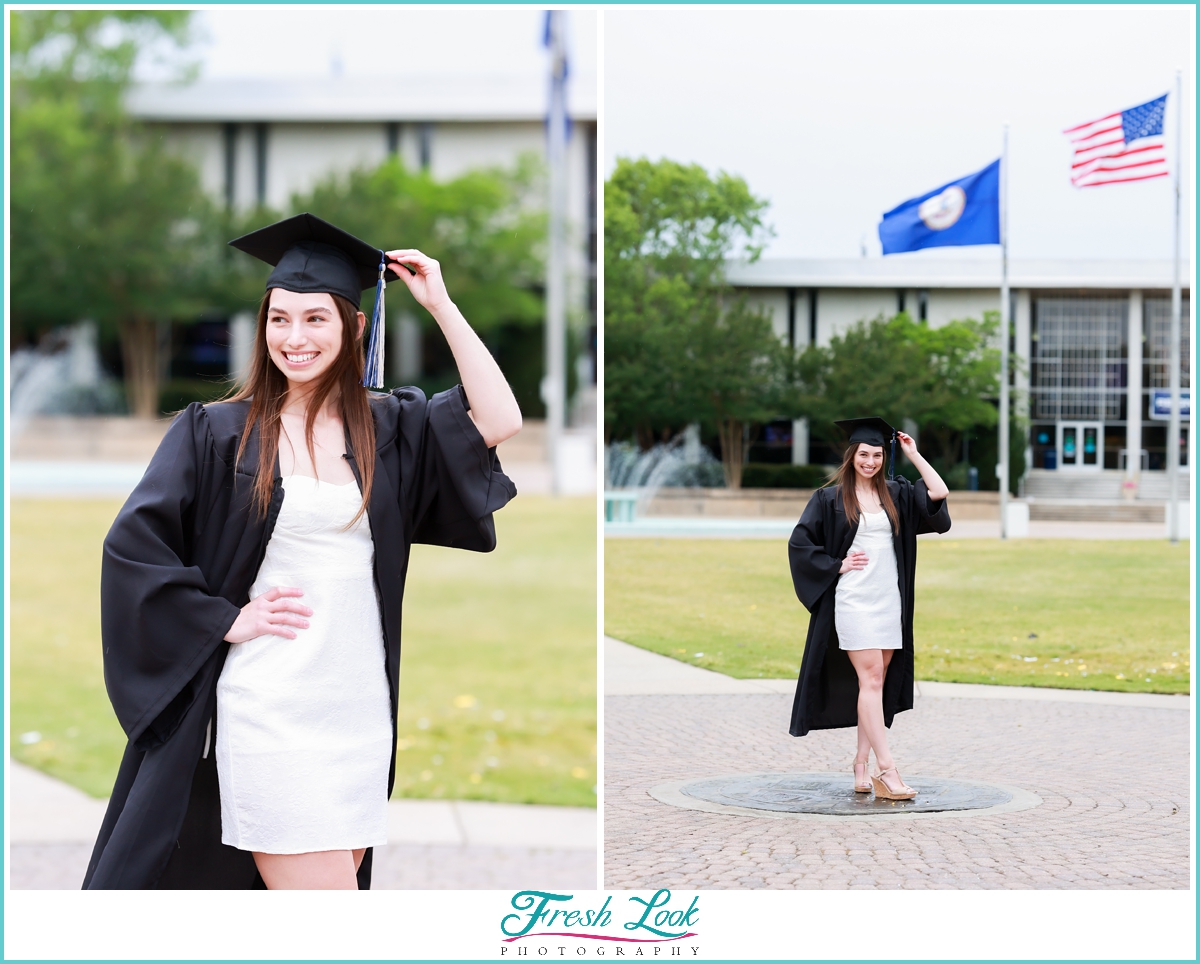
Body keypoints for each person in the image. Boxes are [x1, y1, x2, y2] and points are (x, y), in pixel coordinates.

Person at [84, 213, 521, 889]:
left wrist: (441, 303)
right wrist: (222, 618)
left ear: (353, 328)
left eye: (316, 319)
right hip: (271, 706)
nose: (295, 337)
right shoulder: (217, 434)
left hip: (357, 709)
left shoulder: (389, 428)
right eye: (279, 319)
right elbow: (132, 549)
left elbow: (499, 420)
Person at [787, 417, 950, 800]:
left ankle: (860, 765)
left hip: (887, 600)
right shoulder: (829, 499)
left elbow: (939, 494)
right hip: (853, 600)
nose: (871, 461)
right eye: (864, 454)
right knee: (872, 678)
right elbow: (800, 543)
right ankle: (887, 771)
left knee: (872, 685)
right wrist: (834, 565)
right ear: (852, 456)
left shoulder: (898, 493)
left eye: (877, 455)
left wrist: (912, 453)